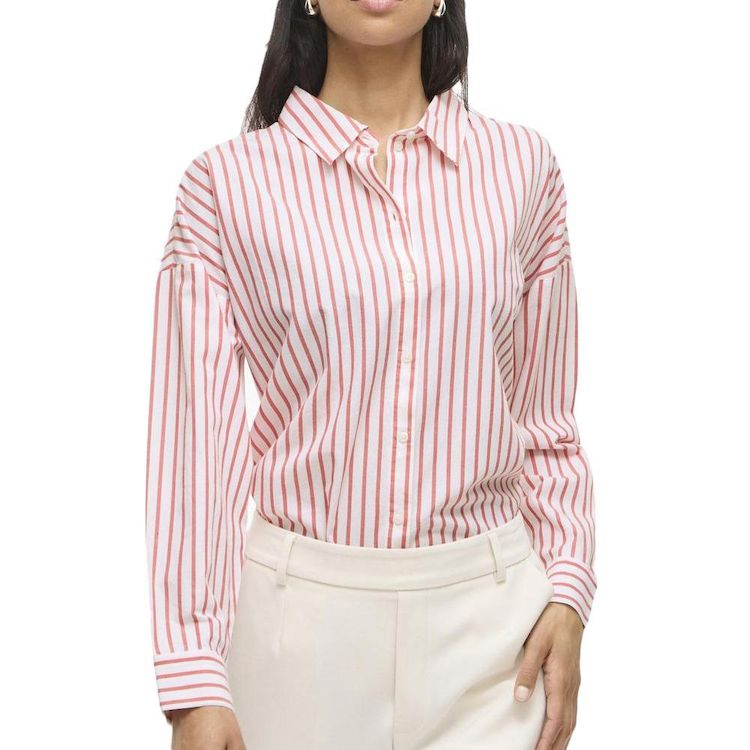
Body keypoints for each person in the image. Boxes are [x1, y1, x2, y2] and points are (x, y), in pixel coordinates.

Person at [144, 1, 597, 748]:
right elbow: (197, 452)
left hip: (495, 639)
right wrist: (194, 679)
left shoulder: (523, 169)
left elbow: (545, 420)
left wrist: (570, 590)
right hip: (297, 637)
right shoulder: (224, 186)